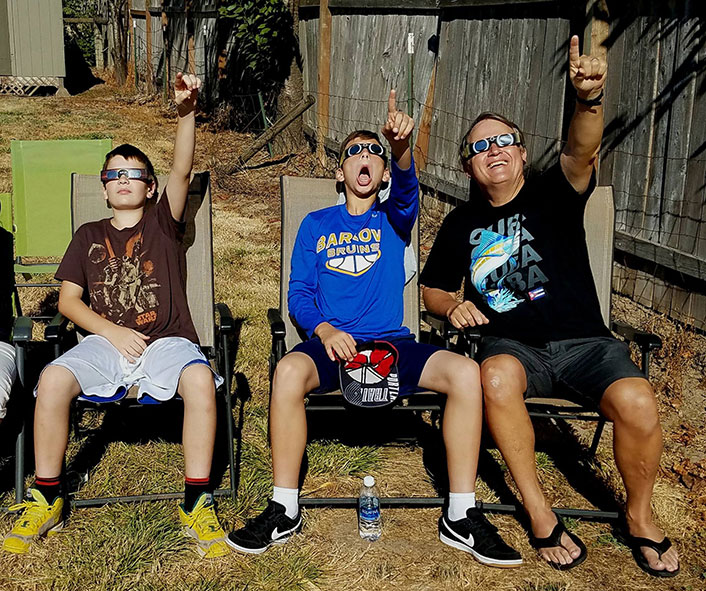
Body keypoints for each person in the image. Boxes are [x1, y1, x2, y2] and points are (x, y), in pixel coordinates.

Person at [420, 35, 680, 577]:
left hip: (586, 342)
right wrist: (451, 308)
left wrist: (588, 100)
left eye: (505, 141)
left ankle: (638, 516)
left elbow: (582, 148)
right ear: (467, 166)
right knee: (493, 376)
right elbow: (434, 289)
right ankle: (539, 514)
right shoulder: (460, 225)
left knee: (637, 398)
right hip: (516, 347)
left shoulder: (556, 192)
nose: (494, 150)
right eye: (480, 146)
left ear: (520, 151)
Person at [226, 90, 521, 568]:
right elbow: (298, 293)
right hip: (332, 342)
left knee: (466, 373)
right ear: (339, 172)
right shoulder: (315, 223)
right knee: (286, 374)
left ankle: (461, 514)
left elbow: (408, 190)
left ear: (382, 174)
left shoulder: (395, 219)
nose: (365, 157)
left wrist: (400, 149)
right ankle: (284, 507)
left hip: (393, 343)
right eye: (354, 152)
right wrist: (323, 331)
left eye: (374, 153)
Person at [3, 73, 229, 559]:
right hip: (103, 343)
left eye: (134, 174)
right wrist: (111, 330)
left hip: (166, 340)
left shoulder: (163, 224)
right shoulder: (87, 234)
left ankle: (197, 499)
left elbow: (183, 172)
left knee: (198, 379)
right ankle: (46, 494)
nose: (123, 179)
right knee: (55, 378)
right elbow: (67, 301)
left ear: (150, 188)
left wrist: (186, 112)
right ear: (104, 190)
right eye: (113, 175)